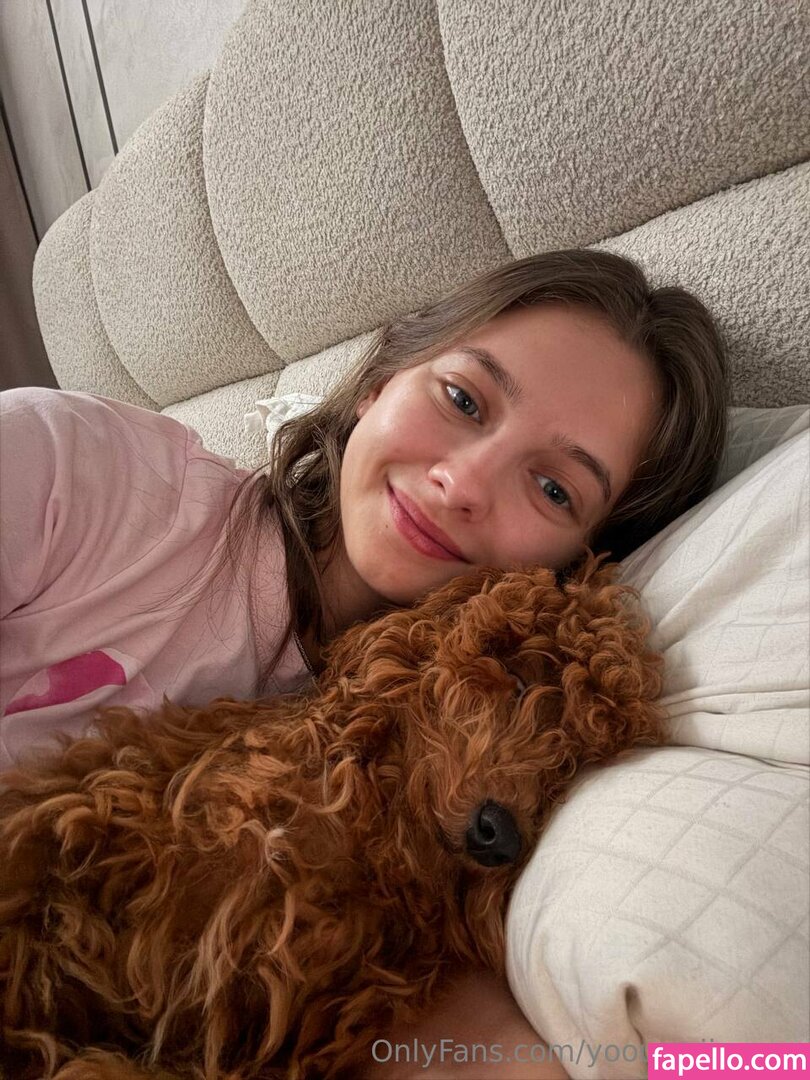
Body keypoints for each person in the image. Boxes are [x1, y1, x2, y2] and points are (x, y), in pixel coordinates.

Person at [0, 248, 728, 1076]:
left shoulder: (438, 757)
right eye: (463, 399)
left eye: (555, 489)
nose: (462, 482)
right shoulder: (76, 464)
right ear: (381, 379)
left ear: (582, 559)